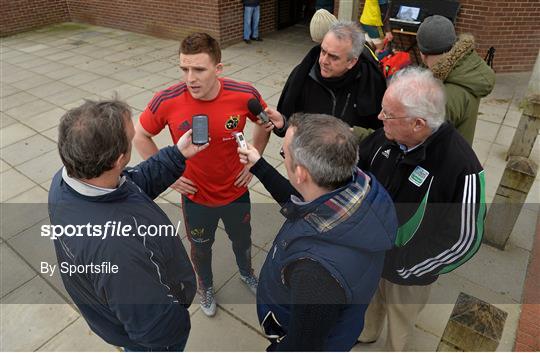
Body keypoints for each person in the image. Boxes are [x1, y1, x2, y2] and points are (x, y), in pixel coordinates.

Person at [49, 99, 205, 351]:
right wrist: (178, 321)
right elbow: (156, 328)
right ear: (119, 159)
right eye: (132, 138)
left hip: (111, 313)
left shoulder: (67, 179)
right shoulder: (118, 249)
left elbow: (132, 185)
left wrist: (175, 155)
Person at [133, 32, 271, 317]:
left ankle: (247, 272)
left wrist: (253, 162)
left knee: (243, 240)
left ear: (218, 68)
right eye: (184, 69)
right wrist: (168, 176)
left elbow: (265, 123)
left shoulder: (244, 94)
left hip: (235, 190)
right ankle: (204, 285)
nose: (190, 78)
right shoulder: (167, 100)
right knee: (201, 248)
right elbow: (140, 135)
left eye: (199, 69)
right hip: (196, 197)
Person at [237, 113, 398, 351]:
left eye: (284, 154)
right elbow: (299, 204)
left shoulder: (315, 272)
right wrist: (258, 166)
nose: (283, 158)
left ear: (301, 174)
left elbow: (304, 345)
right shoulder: (361, 188)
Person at [356, 67, 485, 351]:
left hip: (409, 271)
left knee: (400, 321)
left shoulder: (462, 167)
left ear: (418, 124)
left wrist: (409, 266)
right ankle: (366, 332)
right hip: (372, 253)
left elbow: (465, 239)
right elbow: (358, 172)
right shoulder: (386, 138)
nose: (380, 118)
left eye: (388, 114)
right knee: (368, 302)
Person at [268, 21, 386, 141]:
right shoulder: (303, 74)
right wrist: (282, 125)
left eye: (333, 57)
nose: (324, 61)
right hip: (305, 155)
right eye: (323, 51)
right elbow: (288, 123)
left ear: (351, 62)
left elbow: (381, 135)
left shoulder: (370, 83)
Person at [416, 15, 495, 145]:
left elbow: (421, 141)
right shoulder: (467, 69)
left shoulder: (443, 96)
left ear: (422, 54)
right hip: (461, 152)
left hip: (444, 160)